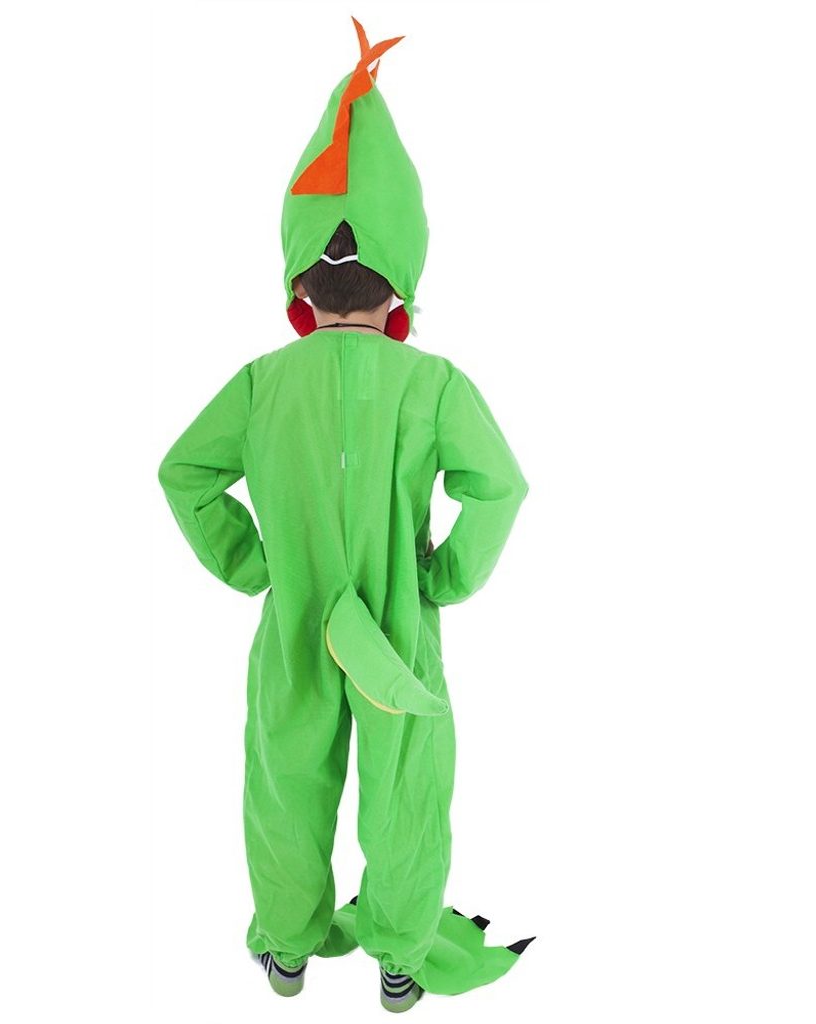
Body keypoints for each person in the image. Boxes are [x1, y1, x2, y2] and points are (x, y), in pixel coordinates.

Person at [158, 18, 534, 1013]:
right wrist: (443, 575)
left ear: (297, 268)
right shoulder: (434, 383)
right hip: (396, 625)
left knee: (286, 781)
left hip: (295, 620)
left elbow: (183, 473)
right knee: (406, 791)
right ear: (405, 261)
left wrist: (255, 563)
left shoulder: (260, 384)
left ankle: (286, 950)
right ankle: (399, 958)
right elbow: (499, 485)